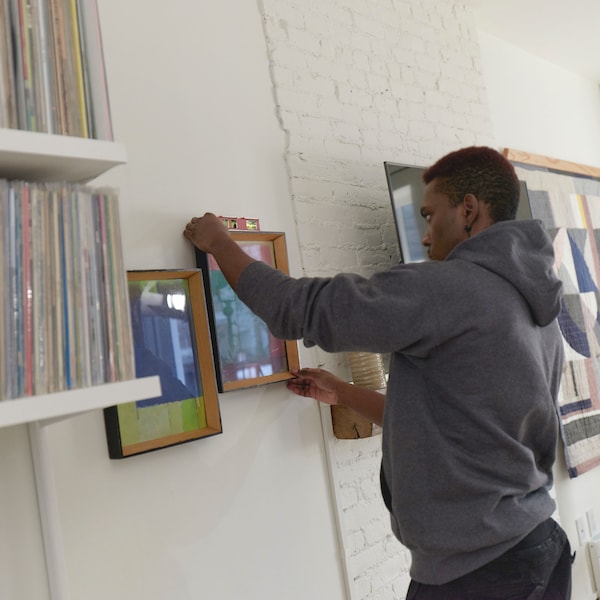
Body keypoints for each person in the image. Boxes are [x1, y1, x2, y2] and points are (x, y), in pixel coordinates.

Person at [183, 146, 572, 599]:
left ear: (468, 210)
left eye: (429, 216)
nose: (426, 237)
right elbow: (459, 424)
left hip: (479, 575)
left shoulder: (447, 289)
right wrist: (342, 392)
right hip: (539, 549)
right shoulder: (536, 304)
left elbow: (300, 309)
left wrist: (220, 243)